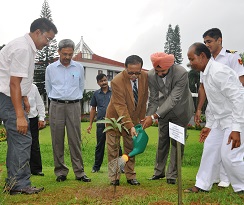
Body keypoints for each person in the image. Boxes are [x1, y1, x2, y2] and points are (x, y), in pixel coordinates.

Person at [0, 18, 57, 195]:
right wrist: (19, 116)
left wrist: (24, 98)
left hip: (9, 95)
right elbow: (14, 83)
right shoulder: (23, 48)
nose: (48, 43)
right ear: (37, 32)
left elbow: (17, 79)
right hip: (7, 96)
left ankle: (14, 182)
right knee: (22, 138)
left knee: (18, 139)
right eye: (47, 38)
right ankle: (19, 184)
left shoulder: (24, 46)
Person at [186, 42, 244, 194]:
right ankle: (202, 184)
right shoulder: (205, 73)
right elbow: (214, 103)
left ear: (203, 56)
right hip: (219, 120)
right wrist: (209, 125)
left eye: (192, 59)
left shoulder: (219, 72)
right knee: (210, 149)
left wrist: (237, 129)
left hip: (235, 117)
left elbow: (238, 98)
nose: (190, 63)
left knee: (230, 155)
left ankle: (242, 187)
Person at [142, 52, 194, 184]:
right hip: (163, 111)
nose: (159, 74)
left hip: (181, 110)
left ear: (170, 66)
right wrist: (148, 116)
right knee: (162, 141)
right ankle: (158, 172)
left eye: (162, 71)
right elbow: (153, 99)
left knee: (177, 143)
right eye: (157, 71)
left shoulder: (181, 73)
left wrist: (155, 116)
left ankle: (172, 175)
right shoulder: (151, 75)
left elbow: (174, 98)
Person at [45, 39, 91, 183]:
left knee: (75, 139)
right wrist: (58, 99)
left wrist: (73, 99)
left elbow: (80, 87)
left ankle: (79, 172)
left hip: (74, 106)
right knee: (57, 140)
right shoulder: (50, 68)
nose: (67, 57)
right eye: (64, 54)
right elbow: (48, 88)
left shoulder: (78, 67)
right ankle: (60, 172)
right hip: (56, 105)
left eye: (70, 54)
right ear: (58, 52)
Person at [106, 55, 148, 186]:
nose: (134, 75)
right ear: (125, 68)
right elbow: (120, 106)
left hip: (134, 119)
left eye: (137, 72)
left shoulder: (145, 77)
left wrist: (140, 122)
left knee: (130, 148)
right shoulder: (117, 81)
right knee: (113, 149)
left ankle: (130, 175)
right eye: (131, 72)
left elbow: (143, 100)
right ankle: (114, 177)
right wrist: (130, 125)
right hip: (115, 119)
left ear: (141, 69)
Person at [87, 74, 123, 173]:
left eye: (104, 80)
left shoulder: (114, 92)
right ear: (98, 83)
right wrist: (90, 124)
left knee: (116, 144)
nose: (103, 83)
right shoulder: (96, 94)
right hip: (101, 123)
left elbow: (120, 106)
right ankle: (96, 167)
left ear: (107, 80)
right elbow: (93, 109)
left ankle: (121, 166)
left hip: (113, 123)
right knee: (100, 145)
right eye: (101, 81)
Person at [27, 83, 46, 176]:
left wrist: (41, 117)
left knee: (34, 143)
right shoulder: (14, 85)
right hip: (18, 119)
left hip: (32, 118)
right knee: (20, 145)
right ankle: (23, 169)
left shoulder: (33, 87)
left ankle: (36, 169)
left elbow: (39, 103)